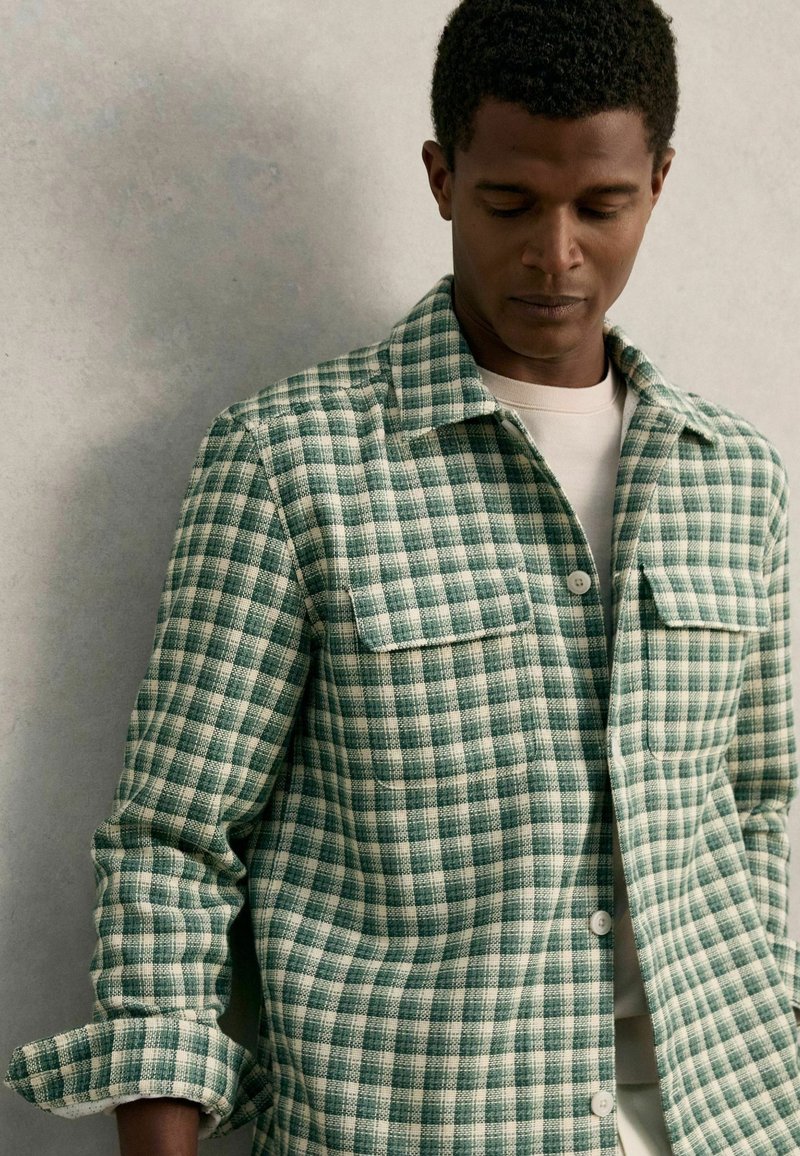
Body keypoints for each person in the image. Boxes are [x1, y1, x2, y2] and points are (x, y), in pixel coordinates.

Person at [7, 0, 800, 1153]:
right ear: (441, 178)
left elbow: (755, 801)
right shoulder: (290, 462)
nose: (555, 254)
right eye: (509, 203)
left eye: (600, 205)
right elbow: (173, 841)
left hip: (726, 1122)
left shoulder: (733, 476)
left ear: (658, 183)